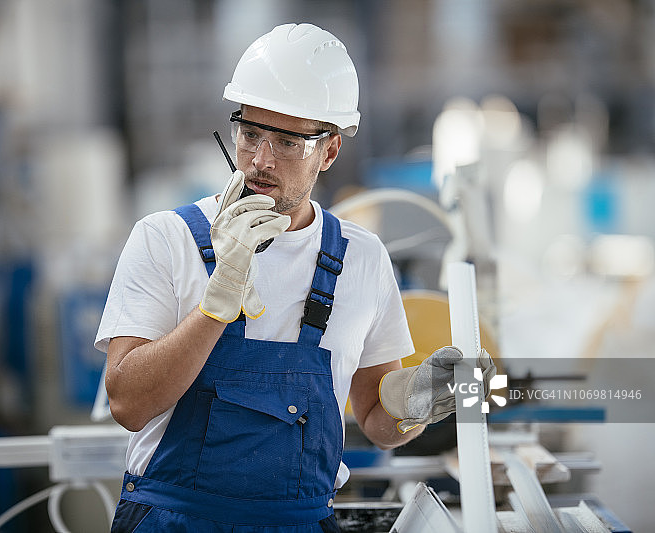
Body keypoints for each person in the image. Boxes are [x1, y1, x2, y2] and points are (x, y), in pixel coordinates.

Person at [96, 23, 494, 532]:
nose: (260, 160)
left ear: (328, 151)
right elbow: (127, 403)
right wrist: (215, 306)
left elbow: (374, 415)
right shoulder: (164, 239)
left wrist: (414, 402)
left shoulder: (361, 259)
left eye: (287, 142)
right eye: (250, 134)